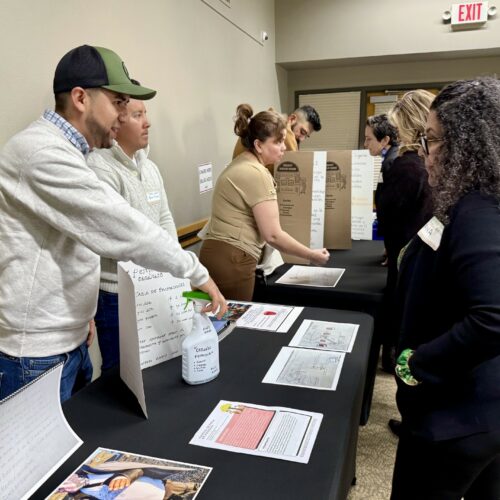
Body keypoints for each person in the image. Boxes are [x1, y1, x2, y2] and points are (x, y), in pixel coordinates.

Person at [0, 45, 226, 402]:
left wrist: (83, 313)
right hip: (35, 355)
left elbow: (72, 243)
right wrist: (196, 272)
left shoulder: (73, 152)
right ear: (80, 98)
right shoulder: (42, 153)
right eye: (118, 103)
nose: (122, 116)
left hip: (68, 341)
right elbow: (119, 228)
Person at [390, 78, 500, 500]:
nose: (426, 152)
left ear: (466, 145)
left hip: (458, 416)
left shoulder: (477, 211)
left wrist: (416, 364)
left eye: (433, 140)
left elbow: (493, 317)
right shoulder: (467, 201)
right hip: (476, 408)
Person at [199, 104, 330, 301]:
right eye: (278, 142)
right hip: (233, 259)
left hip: (217, 254)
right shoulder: (257, 173)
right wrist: (312, 255)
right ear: (259, 145)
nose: (284, 147)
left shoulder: (241, 163)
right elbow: (273, 235)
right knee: (235, 324)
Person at [87, 97, 177, 371]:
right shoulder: (99, 168)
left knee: (157, 371)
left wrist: (175, 267)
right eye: (138, 115)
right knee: (121, 375)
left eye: (145, 113)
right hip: (117, 294)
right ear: (117, 119)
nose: (147, 122)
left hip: (156, 285)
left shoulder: (150, 167)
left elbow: (165, 218)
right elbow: (117, 238)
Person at [377, 90, 434, 375]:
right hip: (417, 252)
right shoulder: (428, 165)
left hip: (406, 253)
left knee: (404, 322)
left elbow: (388, 216)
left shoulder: (407, 167)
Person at [232, 104, 322, 170]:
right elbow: (296, 170)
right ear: (292, 119)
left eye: (306, 136)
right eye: (302, 132)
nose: (302, 139)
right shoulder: (282, 132)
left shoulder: (262, 122)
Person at [364, 113, 399, 265]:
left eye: (368, 139)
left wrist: (393, 249)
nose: (365, 144)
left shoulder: (392, 162)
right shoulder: (390, 158)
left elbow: (393, 210)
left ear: (385, 140)